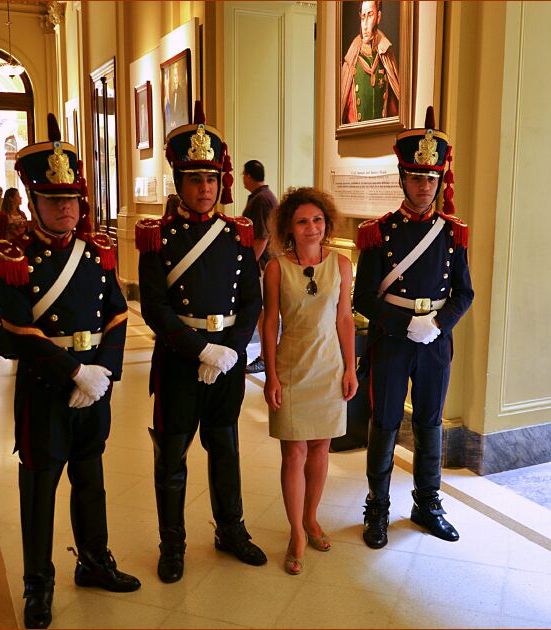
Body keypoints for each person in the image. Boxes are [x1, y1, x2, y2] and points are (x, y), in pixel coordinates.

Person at [0, 114, 140, 629]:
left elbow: (119, 314)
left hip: (93, 385)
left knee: (91, 478)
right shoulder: (12, 256)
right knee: (40, 488)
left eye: (73, 200)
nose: (66, 210)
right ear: (33, 201)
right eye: (55, 201)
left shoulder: (96, 252)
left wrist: (103, 372)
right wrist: (73, 374)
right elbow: (15, 329)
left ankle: (94, 562)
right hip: (46, 388)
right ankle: (38, 584)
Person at [136, 101, 267, 584]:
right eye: (195, 179)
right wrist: (201, 350)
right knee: (171, 457)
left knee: (225, 448)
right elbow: (155, 307)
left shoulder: (238, 234)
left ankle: (230, 530)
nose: (204, 188)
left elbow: (251, 300)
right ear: (180, 183)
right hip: (179, 361)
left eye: (211, 179)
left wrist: (231, 348)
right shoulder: (157, 236)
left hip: (227, 361)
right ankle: (173, 544)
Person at [353, 106, 473, 549]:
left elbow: (465, 292)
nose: (425, 187)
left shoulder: (452, 233)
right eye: (417, 178)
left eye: (432, 180)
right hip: (392, 341)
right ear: (403, 179)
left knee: (429, 423)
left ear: (440, 182)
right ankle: (378, 508)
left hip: (435, 342)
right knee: (384, 423)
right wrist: (406, 325)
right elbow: (362, 296)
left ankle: (427, 503)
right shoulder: (378, 233)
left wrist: (437, 324)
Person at [262, 187, 358, 575]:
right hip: (291, 367)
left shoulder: (342, 264)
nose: (312, 227)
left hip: (329, 368)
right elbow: (269, 324)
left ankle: (312, 518)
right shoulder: (276, 267)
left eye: (317, 220)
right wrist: (270, 374)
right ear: (289, 226)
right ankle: (296, 532)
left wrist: (351, 368)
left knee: (320, 448)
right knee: (294, 453)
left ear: (327, 224)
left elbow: (345, 319)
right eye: (303, 221)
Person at [242, 160, 279, 374]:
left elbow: (262, 236)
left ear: (249, 176)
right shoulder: (263, 197)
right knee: (262, 312)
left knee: (264, 312)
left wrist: (249, 264)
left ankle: (266, 357)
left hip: (263, 265)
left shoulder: (262, 200)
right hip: (261, 264)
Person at [340, 1, 400, 124]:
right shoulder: (351, 59)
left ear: (378, 17)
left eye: (370, 15)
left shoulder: (386, 56)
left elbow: (394, 110)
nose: (365, 25)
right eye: (363, 17)